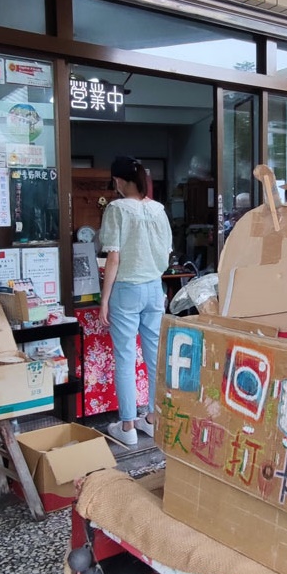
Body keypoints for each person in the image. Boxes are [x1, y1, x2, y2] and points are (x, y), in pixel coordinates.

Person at [99, 156, 173, 447]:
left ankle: (128, 425)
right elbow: (166, 254)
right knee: (155, 358)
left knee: (126, 358)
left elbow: (113, 257)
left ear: (119, 181)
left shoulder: (117, 209)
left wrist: (104, 300)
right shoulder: (158, 209)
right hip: (155, 288)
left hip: (127, 289)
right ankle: (153, 420)